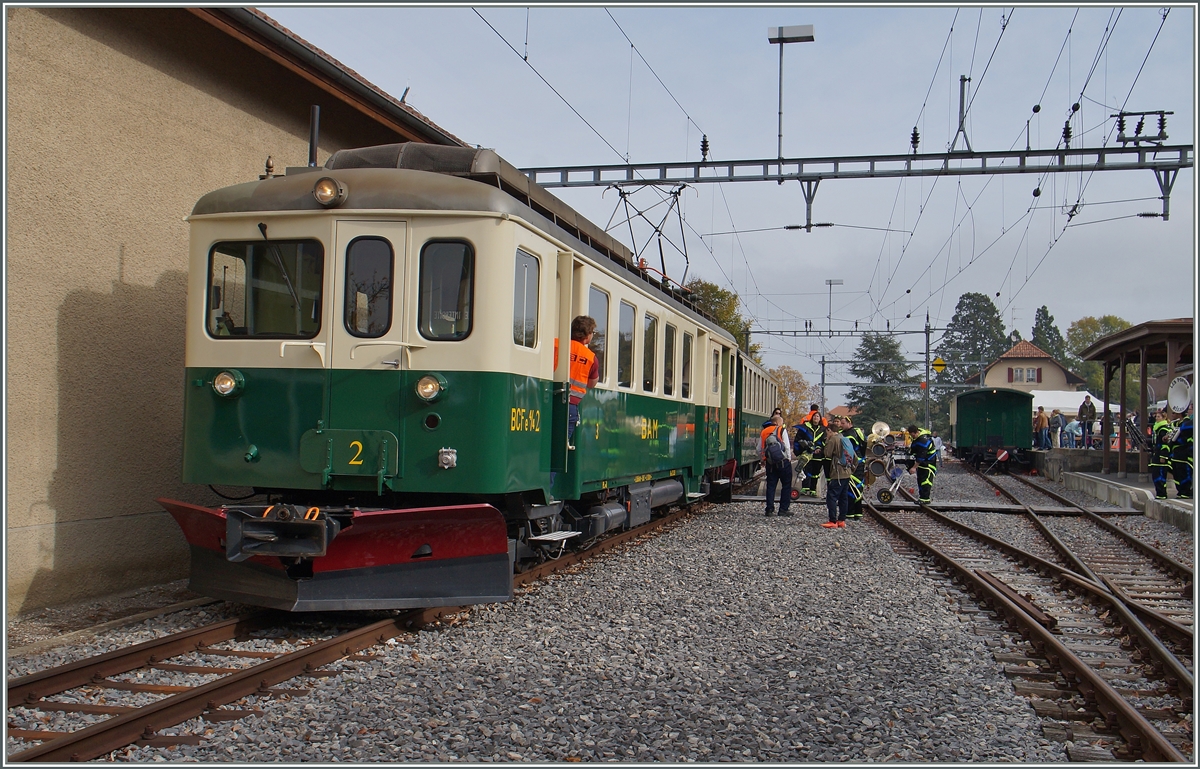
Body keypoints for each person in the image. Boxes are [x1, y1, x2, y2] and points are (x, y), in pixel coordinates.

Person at [567, 316, 600, 448]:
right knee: (561, 446)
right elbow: (592, 383)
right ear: (587, 335)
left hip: (547, 400)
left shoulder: (555, 345)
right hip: (570, 405)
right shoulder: (590, 358)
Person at [820, 416, 854, 528]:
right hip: (847, 472)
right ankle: (841, 520)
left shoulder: (833, 439)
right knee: (843, 497)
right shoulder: (844, 438)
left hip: (837, 473)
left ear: (830, 430)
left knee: (832, 496)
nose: (827, 434)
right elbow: (855, 457)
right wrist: (851, 470)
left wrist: (827, 441)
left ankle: (832, 521)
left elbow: (827, 454)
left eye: (827, 432)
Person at [759, 414, 794, 517]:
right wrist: (788, 459)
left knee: (771, 486)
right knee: (786, 485)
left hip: (770, 464)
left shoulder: (764, 432)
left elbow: (759, 449)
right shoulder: (781, 430)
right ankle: (783, 509)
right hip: (783, 462)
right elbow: (787, 446)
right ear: (777, 423)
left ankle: (769, 509)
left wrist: (764, 459)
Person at [794, 410, 828, 497]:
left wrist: (820, 448)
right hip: (807, 453)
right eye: (814, 416)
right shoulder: (805, 427)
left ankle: (813, 490)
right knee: (806, 471)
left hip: (818, 455)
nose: (816, 417)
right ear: (812, 418)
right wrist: (801, 450)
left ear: (820, 419)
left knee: (815, 473)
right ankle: (805, 488)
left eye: (817, 416)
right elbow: (798, 439)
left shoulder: (823, 429)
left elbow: (825, 441)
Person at [907, 425, 938, 504]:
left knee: (926, 481)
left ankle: (925, 498)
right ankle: (922, 498)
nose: (912, 437)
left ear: (916, 432)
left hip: (928, 464)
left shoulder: (923, 440)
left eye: (912, 435)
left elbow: (921, 455)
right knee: (920, 480)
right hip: (922, 465)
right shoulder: (917, 439)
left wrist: (914, 467)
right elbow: (914, 450)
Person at [1169, 408, 1193, 499]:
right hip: (1176, 453)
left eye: (1174, 413)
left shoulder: (1187, 423)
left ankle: (1185, 492)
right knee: (1177, 474)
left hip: (1184, 453)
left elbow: (1185, 437)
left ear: (1179, 414)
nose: (1172, 415)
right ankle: (1180, 491)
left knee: (1184, 473)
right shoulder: (1176, 423)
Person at [1150, 410, 1174, 500]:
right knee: (1156, 476)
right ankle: (1160, 494)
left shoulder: (1163, 429)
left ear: (1164, 418)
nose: (1156, 418)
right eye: (1156, 417)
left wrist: (1163, 456)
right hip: (1157, 454)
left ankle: (1162, 494)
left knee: (1159, 476)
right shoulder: (1158, 428)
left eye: (1159, 417)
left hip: (1161, 456)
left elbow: (1165, 445)